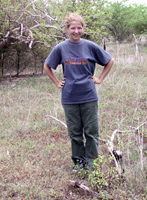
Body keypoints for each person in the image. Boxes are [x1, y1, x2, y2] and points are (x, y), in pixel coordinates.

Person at [44, 12, 114, 172]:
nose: (76, 31)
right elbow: (47, 66)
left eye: (79, 28)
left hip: (89, 96)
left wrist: (100, 78)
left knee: (91, 132)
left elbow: (109, 60)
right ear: (67, 29)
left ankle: (91, 163)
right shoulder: (61, 48)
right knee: (75, 133)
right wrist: (56, 82)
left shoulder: (90, 46)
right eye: (73, 28)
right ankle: (78, 162)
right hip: (69, 97)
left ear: (82, 29)